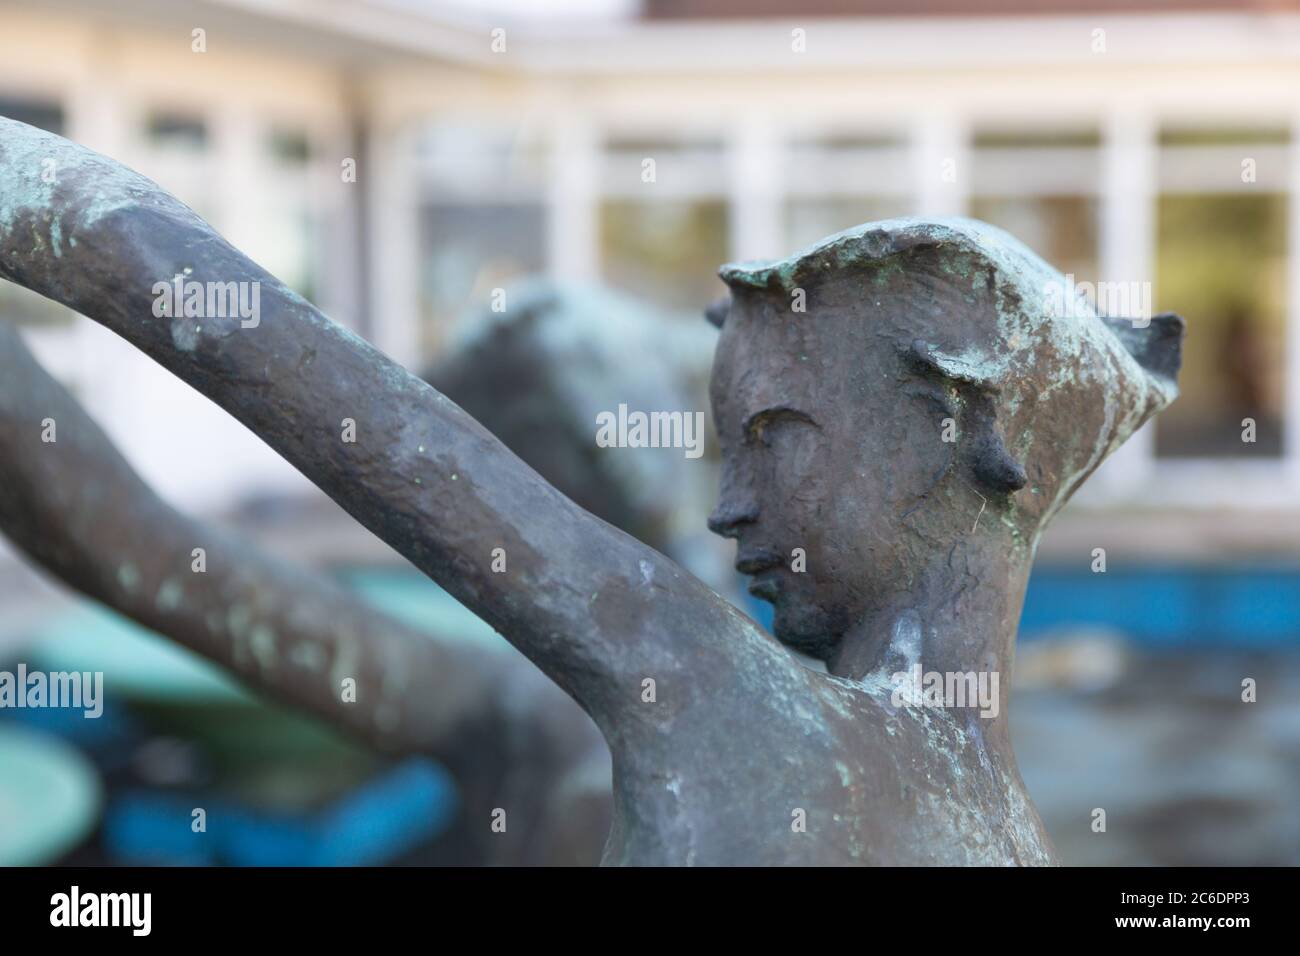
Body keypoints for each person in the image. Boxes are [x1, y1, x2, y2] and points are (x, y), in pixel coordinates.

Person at [0, 118, 1182, 864]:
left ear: (949, 431)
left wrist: (32, 181)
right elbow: (122, 539)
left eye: (774, 439)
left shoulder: (709, 691)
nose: (722, 507)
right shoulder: (1010, 834)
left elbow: (178, 318)